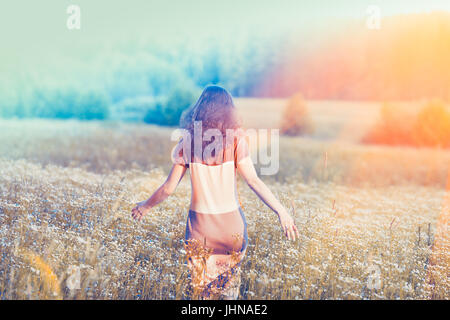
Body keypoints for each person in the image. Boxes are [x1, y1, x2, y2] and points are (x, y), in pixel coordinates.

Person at [131, 85, 298, 299]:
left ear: (200, 109)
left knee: (202, 296)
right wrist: (282, 211)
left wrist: (145, 206)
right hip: (231, 229)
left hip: (200, 230)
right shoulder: (237, 140)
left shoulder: (187, 143)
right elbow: (254, 181)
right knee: (229, 295)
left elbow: (168, 188)